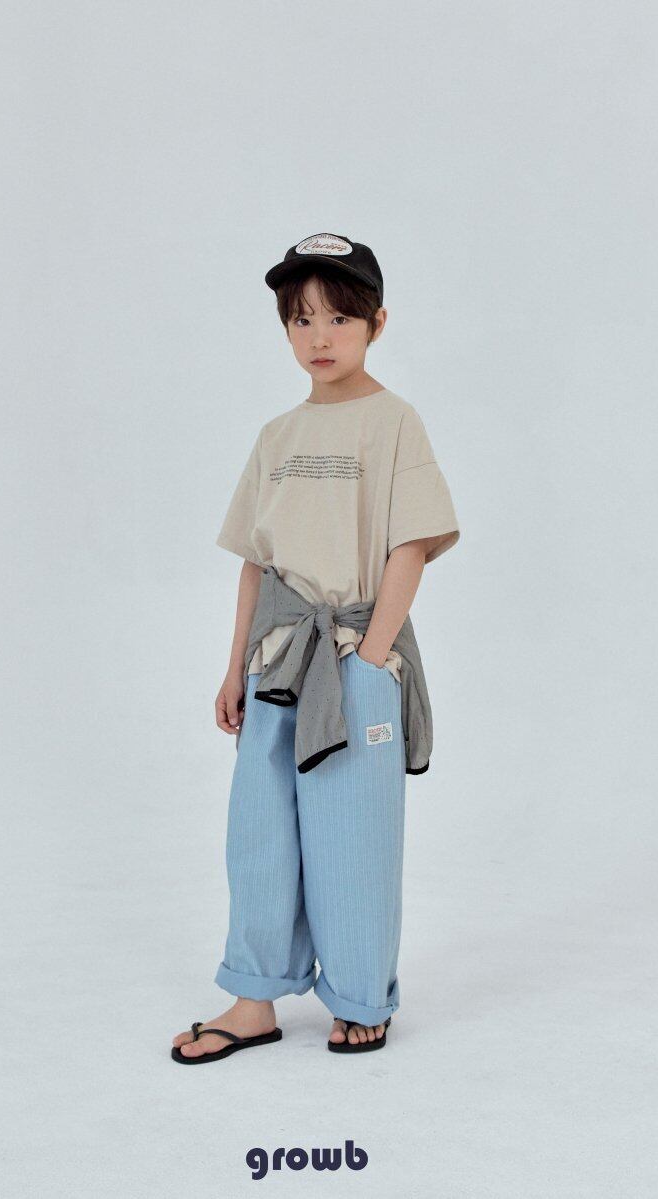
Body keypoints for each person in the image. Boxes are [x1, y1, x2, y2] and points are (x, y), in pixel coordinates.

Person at [172, 232, 460, 1063]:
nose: (320, 337)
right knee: (259, 831)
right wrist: (234, 666)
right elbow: (256, 563)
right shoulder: (277, 435)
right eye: (302, 320)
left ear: (377, 322)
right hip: (277, 663)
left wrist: (369, 660)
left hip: (355, 656)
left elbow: (410, 545)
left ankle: (361, 994)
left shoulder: (395, 422)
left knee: (353, 836)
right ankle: (253, 998)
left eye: (339, 317)